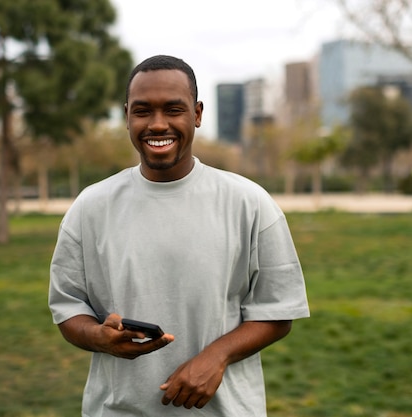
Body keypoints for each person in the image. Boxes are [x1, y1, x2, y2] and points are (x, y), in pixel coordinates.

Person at [49, 54, 309, 416]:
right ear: (127, 116)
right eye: (142, 111)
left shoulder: (249, 203)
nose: (157, 125)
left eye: (173, 109)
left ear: (197, 114)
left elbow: (279, 311)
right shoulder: (90, 207)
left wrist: (217, 357)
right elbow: (68, 308)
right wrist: (99, 338)